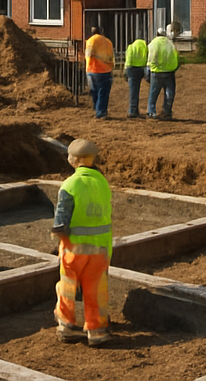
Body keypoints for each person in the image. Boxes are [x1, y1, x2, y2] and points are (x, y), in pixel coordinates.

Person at [51, 138, 112, 346]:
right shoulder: (102, 182)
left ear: (74, 160)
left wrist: (58, 242)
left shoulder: (70, 184)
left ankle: (66, 326)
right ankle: (97, 330)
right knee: (96, 288)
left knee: (67, 287)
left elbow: (61, 222)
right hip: (101, 248)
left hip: (74, 248)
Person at [147, 26, 179, 120]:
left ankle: (151, 112)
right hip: (169, 72)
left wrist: (148, 69)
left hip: (156, 72)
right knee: (169, 93)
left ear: (156, 34)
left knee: (153, 94)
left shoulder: (153, 43)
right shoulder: (170, 44)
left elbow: (149, 57)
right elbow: (176, 56)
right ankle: (167, 112)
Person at [85, 25, 115, 119]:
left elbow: (88, 54)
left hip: (91, 70)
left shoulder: (90, 41)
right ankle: (101, 112)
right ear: (101, 31)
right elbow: (111, 57)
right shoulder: (108, 42)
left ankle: (97, 108)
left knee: (94, 91)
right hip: (104, 70)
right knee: (103, 92)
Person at [123, 36, 149, 118]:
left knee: (133, 90)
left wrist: (125, 70)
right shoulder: (145, 47)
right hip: (141, 68)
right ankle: (139, 110)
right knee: (138, 89)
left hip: (131, 69)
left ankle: (133, 110)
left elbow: (128, 59)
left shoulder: (131, 47)